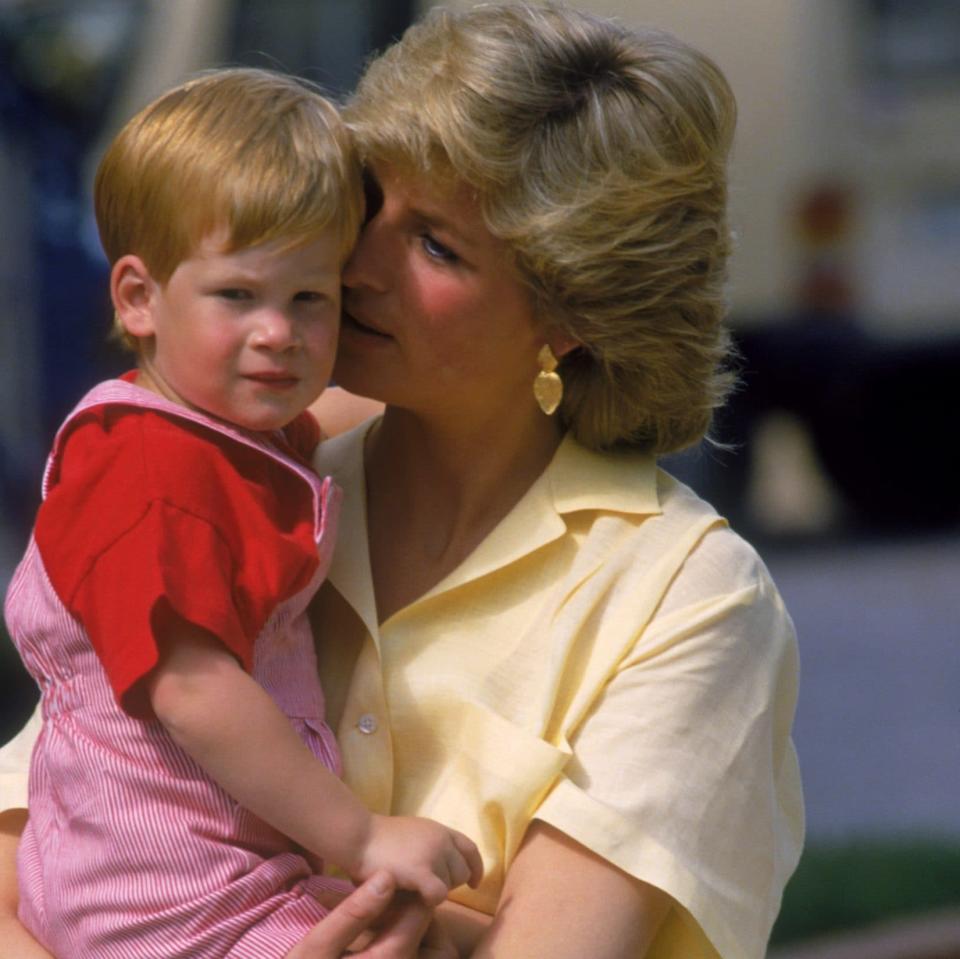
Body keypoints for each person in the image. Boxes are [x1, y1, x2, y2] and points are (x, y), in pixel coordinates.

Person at [0, 4, 803, 957]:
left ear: (571, 314)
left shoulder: (687, 600)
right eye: (370, 198)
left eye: (436, 245)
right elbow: (32, 858)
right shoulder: (228, 474)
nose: (354, 262)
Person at [1, 67, 480, 959]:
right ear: (138, 298)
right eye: (238, 295)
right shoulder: (152, 469)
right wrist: (361, 835)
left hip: (213, 871)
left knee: (461, 932)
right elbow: (192, 687)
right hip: (167, 900)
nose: (280, 333)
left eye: (312, 298)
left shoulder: (222, 436)